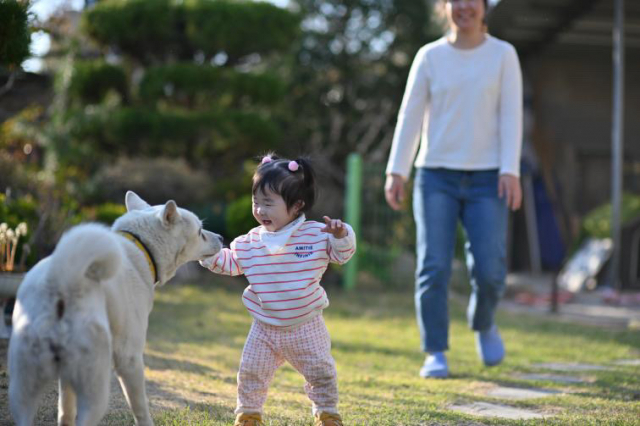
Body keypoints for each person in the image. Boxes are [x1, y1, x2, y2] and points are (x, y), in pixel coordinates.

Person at [384, 0, 523, 378]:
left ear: (484, 6)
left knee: (491, 271)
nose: (465, 6)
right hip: (435, 177)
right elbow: (409, 115)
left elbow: (511, 114)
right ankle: (435, 351)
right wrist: (397, 170)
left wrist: (510, 169)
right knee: (434, 266)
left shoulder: (503, 55)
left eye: (472, 0)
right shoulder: (429, 56)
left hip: (488, 178)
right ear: (445, 7)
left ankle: (484, 322)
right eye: (455, 0)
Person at [200, 154, 356, 426]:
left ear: (296, 206)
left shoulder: (316, 234)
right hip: (264, 327)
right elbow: (228, 262)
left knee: (321, 372)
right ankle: (249, 414)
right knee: (251, 372)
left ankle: (327, 412)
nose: (260, 210)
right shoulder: (249, 242)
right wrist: (206, 252)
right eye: (255, 202)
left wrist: (341, 236)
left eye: (268, 203)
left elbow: (342, 255)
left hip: (306, 325)